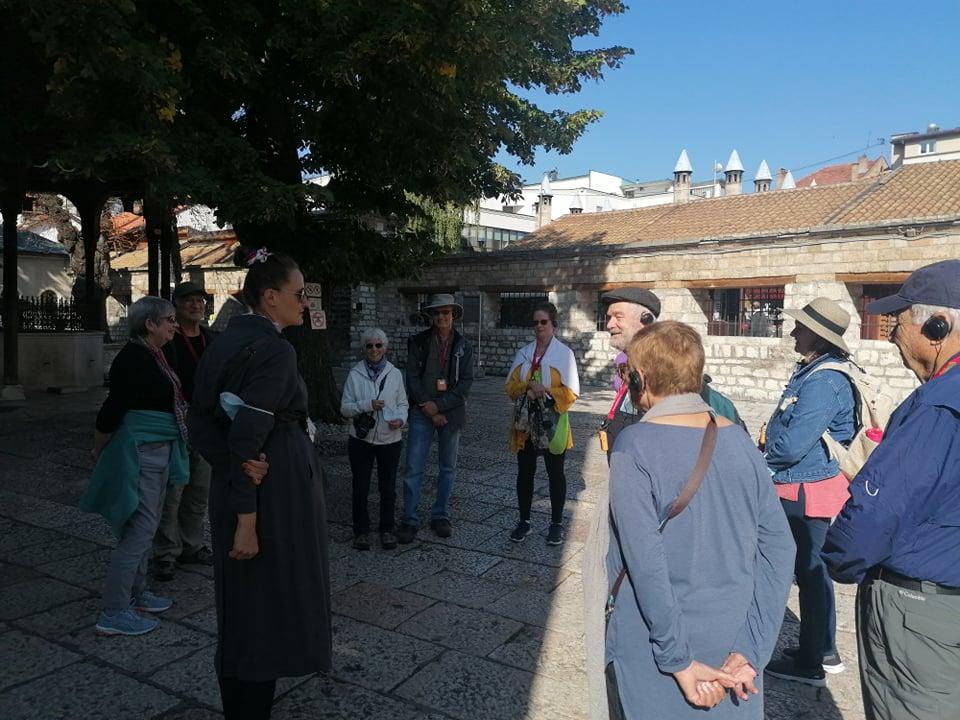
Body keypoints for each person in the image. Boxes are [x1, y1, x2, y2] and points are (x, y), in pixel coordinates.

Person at [605, 321, 795, 719]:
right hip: (733, 642)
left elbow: (645, 561)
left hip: (658, 641)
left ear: (641, 379)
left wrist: (679, 659)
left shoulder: (634, 446)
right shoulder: (740, 440)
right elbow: (780, 548)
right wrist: (751, 650)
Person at [187, 245, 332, 720]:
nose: (305, 301)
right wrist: (247, 519)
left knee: (245, 608)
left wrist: (232, 469)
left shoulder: (223, 340)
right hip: (270, 499)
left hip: (245, 488)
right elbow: (247, 434)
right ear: (270, 297)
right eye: (297, 293)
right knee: (268, 608)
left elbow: (202, 424)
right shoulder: (274, 350)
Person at [823, 260, 960, 720]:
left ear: (940, 326)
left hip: (922, 610)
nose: (891, 336)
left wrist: (839, 560)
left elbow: (875, 515)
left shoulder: (938, 405)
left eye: (898, 324)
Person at [762, 298, 855, 687]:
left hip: (806, 487)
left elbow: (793, 444)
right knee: (812, 571)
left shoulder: (824, 381)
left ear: (818, 336)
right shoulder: (813, 372)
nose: (793, 332)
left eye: (800, 328)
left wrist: (763, 458)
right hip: (805, 483)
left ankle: (811, 662)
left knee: (811, 572)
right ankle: (822, 649)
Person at [81, 296, 188, 636]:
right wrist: (99, 450)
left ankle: (137, 593)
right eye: (169, 319)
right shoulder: (133, 359)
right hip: (140, 453)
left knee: (147, 526)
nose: (174, 324)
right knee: (139, 532)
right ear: (150, 324)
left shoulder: (156, 353)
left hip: (158, 451)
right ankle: (114, 611)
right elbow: (111, 412)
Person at [397, 293, 474, 544]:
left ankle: (440, 515)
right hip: (422, 412)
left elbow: (465, 384)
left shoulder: (464, 346)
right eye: (437, 313)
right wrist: (426, 406)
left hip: (450, 413)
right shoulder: (417, 342)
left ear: (453, 315)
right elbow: (412, 377)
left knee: (448, 468)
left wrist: (439, 407)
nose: (442, 317)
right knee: (413, 467)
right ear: (431, 316)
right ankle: (409, 519)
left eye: (446, 313)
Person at [153, 281, 216, 582]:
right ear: (175, 305)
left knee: (198, 492)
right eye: (188, 300)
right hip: (176, 424)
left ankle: (192, 545)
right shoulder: (169, 340)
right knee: (172, 492)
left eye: (200, 301)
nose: (196, 305)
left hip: (205, 425)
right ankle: (166, 553)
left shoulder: (211, 338)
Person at [505, 301, 580, 545]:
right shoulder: (524, 353)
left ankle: (556, 524)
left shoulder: (564, 355)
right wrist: (528, 386)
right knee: (525, 471)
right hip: (527, 424)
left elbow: (571, 393)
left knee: (555, 473)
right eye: (535, 322)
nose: (539, 326)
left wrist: (545, 391)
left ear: (554, 326)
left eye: (544, 322)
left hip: (552, 421)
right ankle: (524, 521)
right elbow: (509, 387)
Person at [340, 327, 408, 551]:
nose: (374, 349)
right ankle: (361, 531)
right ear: (364, 349)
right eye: (369, 345)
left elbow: (403, 404)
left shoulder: (395, 374)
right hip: (361, 440)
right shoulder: (354, 374)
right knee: (360, 487)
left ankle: (387, 529)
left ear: (385, 347)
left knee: (387, 488)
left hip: (390, 439)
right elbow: (345, 409)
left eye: (378, 345)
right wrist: (367, 405)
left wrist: (400, 419)